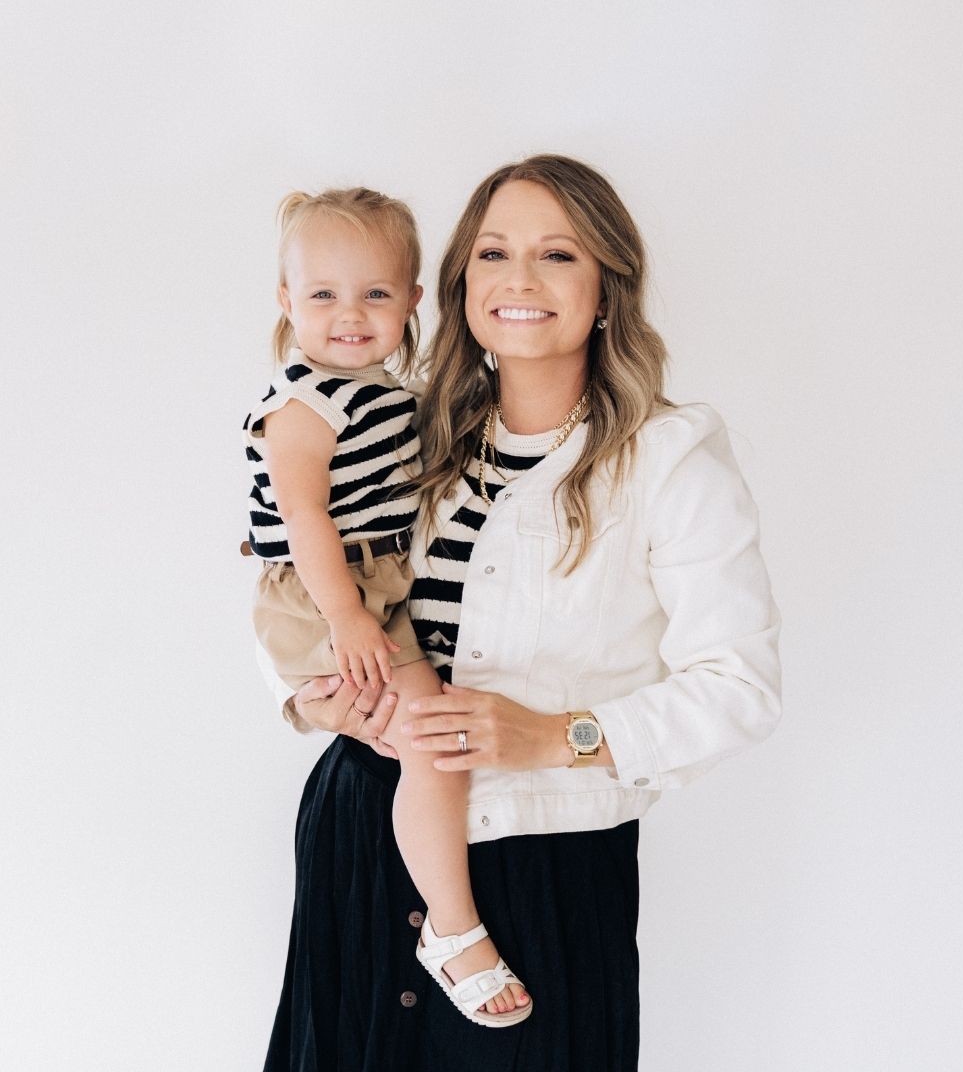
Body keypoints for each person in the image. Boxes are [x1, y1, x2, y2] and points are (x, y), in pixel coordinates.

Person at [260, 155, 782, 1072]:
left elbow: (740, 691)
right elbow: (299, 576)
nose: (520, 280)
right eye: (495, 252)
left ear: (608, 288)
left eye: (558, 255)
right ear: (459, 285)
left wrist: (550, 736)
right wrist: (312, 698)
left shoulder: (669, 459)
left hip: (538, 871)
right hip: (363, 843)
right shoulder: (409, 431)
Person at [244, 187, 532, 1032]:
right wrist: (345, 620)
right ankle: (452, 930)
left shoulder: (387, 393)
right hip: (324, 593)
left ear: (412, 301)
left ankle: (446, 918)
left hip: (370, 589)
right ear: (286, 301)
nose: (349, 315)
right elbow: (302, 522)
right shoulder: (304, 402)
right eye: (323, 294)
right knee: (433, 744)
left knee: (433, 738)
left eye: (375, 293)